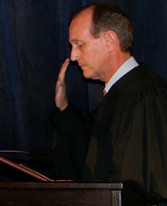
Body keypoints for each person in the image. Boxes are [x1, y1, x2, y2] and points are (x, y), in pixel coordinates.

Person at [50, 3, 167, 204]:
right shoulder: (120, 95)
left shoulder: (144, 94)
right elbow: (89, 157)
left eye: (79, 44)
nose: (73, 56)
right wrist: (64, 109)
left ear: (110, 40)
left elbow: (141, 186)